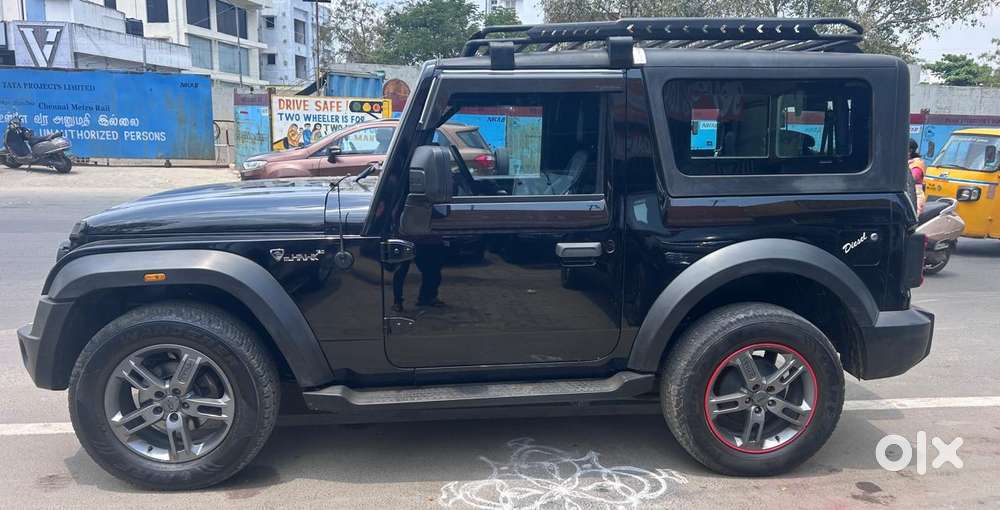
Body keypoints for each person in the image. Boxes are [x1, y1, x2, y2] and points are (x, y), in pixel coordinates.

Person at [909, 139, 926, 215]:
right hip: (909, 192)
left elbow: (914, 177)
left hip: (916, 195)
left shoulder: (916, 163)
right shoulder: (908, 161)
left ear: (910, 150)